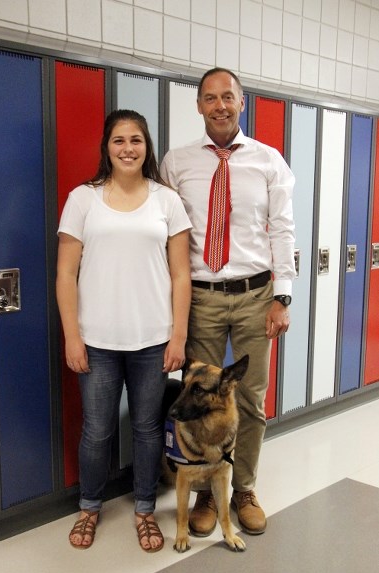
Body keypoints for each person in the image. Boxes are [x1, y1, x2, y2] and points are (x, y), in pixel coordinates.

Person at [160, 68, 295, 537]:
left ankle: (243, 489)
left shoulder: (269, 160)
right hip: (201, 298)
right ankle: (204, 494)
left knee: (251, 400)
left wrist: (282, 295)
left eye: (228, 98)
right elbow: (168, 234)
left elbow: (282, 229)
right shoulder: (176, 163)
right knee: (197, 399)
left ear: (242, 102)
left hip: (256, 295)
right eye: (210, 98)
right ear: (198, 105)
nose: (219, 106)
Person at [56, 109, 192, 552]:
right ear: (106, 148)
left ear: (146, 146)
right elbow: (65, 275)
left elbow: (180, 276)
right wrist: (72, 336)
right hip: (96, 341)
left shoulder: (167, 200)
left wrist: (178, 337)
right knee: (97, 430)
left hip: (153, 339)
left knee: (149, 429)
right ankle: (90, 506)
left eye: (136, 140)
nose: (128, 148)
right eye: (119, 140)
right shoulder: (83, 199)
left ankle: (145, 510)